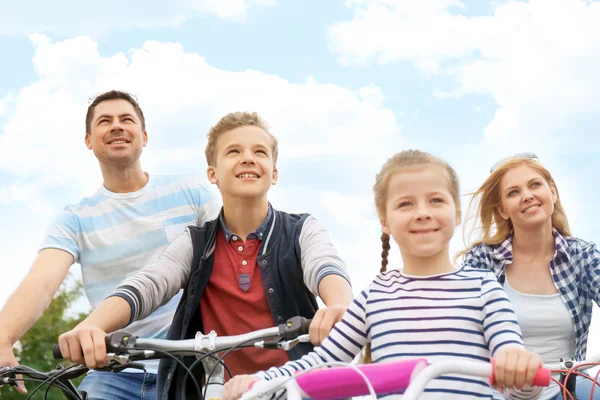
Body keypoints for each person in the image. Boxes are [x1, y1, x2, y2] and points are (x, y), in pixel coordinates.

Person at [57, 111, 355, 399]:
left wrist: (339, 306)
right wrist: (90, 326)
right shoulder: (196, 242)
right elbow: (149, 284)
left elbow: (325, 266)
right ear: (212, 174)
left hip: (292, 387)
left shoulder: (301, 230)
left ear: (274, 173)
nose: (248, 158)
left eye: (260, 152)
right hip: (218, 391)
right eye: (234, 151)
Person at [223, 149, 544, 400]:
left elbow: (512, 368)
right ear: (385, 221)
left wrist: (520, 369)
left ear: (456, 213)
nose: (422, 212)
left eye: (436, 200)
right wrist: (261, 380)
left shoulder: (484, 289)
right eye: (405, 204)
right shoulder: (376, 295)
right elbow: (322, 360)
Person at [0, 90, 220, 399]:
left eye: (126, 119)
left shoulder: (192, 193)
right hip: (113, 372)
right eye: (105, 121)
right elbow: (40, 283)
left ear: (144, 136)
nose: (116, 126)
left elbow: (234, 256)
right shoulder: (75, 218)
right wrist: (2, 340)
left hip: (190, 364)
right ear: (89, 140)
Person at [460, 153, 600, 400]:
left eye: (535, 185)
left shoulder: (584, 256)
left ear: (553, 192)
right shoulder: (482, 260)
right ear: (502, 209)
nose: (527, 195)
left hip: (564, 388)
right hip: (497, 393)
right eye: (513, 192)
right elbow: (464, 332)